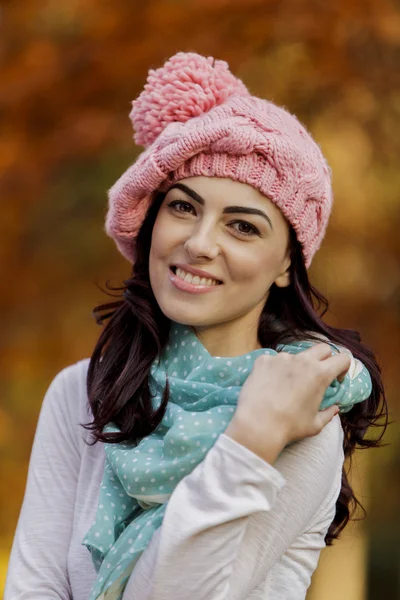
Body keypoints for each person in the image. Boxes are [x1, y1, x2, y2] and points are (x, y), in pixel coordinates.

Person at [5, 52, 388, 600]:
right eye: (184, 207)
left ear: (286, 264)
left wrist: (251, 440)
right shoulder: (80, 394)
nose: (200, 243)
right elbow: (33, 588)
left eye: (242, 226)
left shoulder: (303, 413)